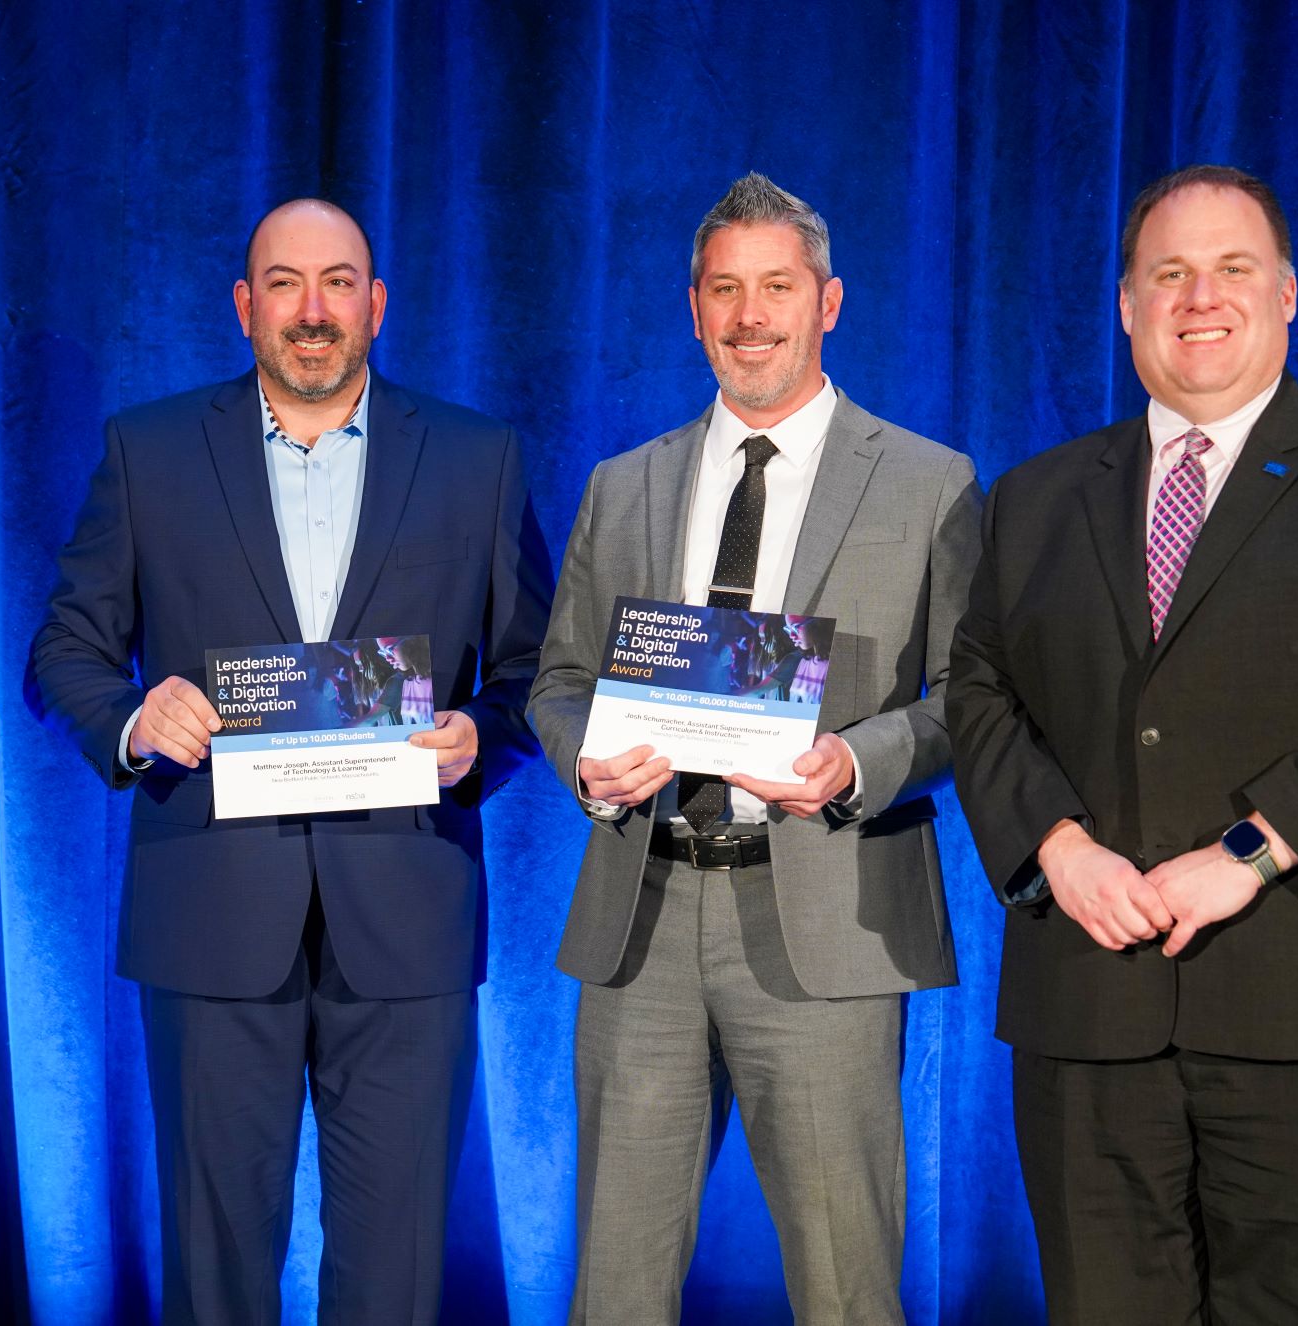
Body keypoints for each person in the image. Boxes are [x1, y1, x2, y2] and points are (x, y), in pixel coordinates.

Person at [946, 165, 1298, 1323]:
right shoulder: (1034, 496)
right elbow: (980, 685)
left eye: (1231, 269)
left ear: (1287, 296)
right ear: (1125, 305)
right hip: (1092, 1011)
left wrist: (1252, 849)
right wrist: (1054, 845)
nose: (1199, 297)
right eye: (1168, 274)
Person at [25, 197, 551, 1325]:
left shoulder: (475, 458)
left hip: (405, 908)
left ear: (376, 302)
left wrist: (480, 737)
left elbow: (532, 671)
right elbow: (63, 652)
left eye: (337, 282)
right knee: (214, 1268)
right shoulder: (149, 450)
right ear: (242, 305)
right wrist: (133, 713)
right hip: (209, 908)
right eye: (282, 284)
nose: (311, 312)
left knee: (398, 1267)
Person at [528, 173, 982, 1324]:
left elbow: (974, 704)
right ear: (692, 310)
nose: (748, 317)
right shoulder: (620, 484)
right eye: (723, 291)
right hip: (643, 917)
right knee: (613, 1290)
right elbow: (560, 681)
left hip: (829, 915)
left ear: (827, 302)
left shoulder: (931, 483)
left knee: (843, 1285)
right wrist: (584, 759)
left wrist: (855, 764)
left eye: (774, 287)